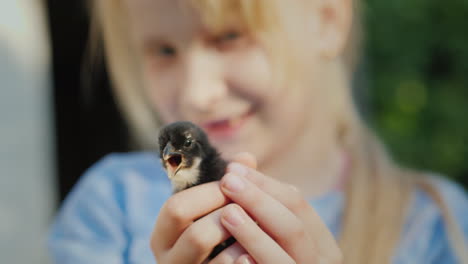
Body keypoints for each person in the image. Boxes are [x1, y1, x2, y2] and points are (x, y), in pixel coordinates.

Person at [48, 0, 468, 263]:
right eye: (163, 50)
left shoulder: (437, 225)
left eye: (230, 36)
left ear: (327, 20)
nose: (198, 94)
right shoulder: (112, 204)